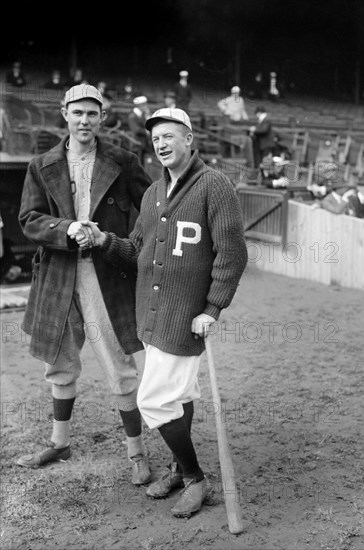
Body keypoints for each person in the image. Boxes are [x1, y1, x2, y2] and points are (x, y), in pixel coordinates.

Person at [80, 107, 248, 518]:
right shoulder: (154, 193)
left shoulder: (215, 185)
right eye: (156, 139)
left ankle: (194, 477)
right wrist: (104, 241)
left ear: (190, 139)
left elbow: (233, 254)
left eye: (170, 136)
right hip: (153, 315)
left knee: (153, 400)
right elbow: (137, 251)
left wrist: (213, 307)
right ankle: (178, 467)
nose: (161, 144)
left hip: (186, 316)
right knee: (179, 395)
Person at [16, 84, 153, 485]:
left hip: (104, 274)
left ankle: (137, 451)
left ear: (102, 117)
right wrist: (66, 227)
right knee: (58, 362)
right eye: (77, 113)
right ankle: (60, 442)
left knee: (119, 363)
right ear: (64, 114)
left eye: (92, 114)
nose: (85, 121)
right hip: (57, 276)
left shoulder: (123, 161)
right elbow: (29, 218)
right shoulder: (41, 165)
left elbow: (150, 212)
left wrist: (119, 244)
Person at [127, 96, 152, 165]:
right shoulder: (132, 116)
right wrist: (147, 131)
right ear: (140, 106)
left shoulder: (143, 115)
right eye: (144, 105)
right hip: (136, 144)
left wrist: (148, 116)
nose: (146, 106)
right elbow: (136, 130)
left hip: (144, 144)